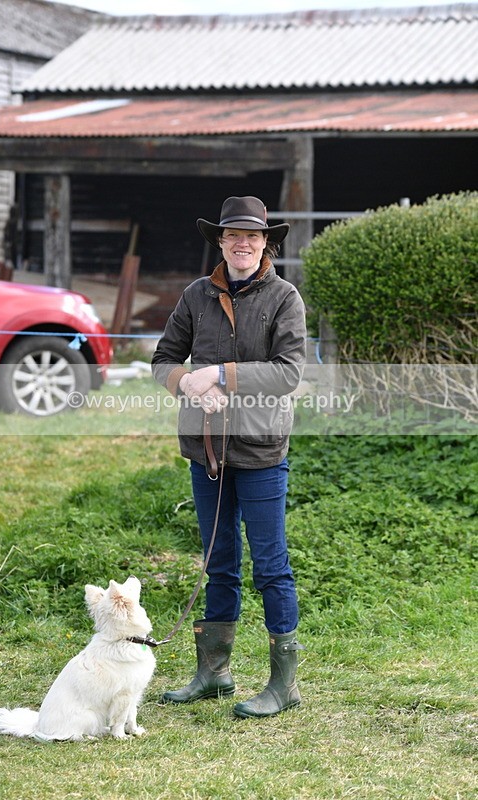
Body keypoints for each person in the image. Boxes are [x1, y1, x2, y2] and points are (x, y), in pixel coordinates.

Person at [151, 196, 306, 718]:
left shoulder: (285, 297)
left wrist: (219, 374)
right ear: (219, 241)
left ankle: (284, 686)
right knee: (219, 563)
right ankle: (212, 673)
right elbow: (163, 359)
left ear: (266, 243)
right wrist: (187, 386)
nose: (243, 244)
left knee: (270, 566)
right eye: (233, 235)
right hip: (208, 450)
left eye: (253, 236)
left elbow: (288, 374)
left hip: (262, 450)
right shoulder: (195, 295)